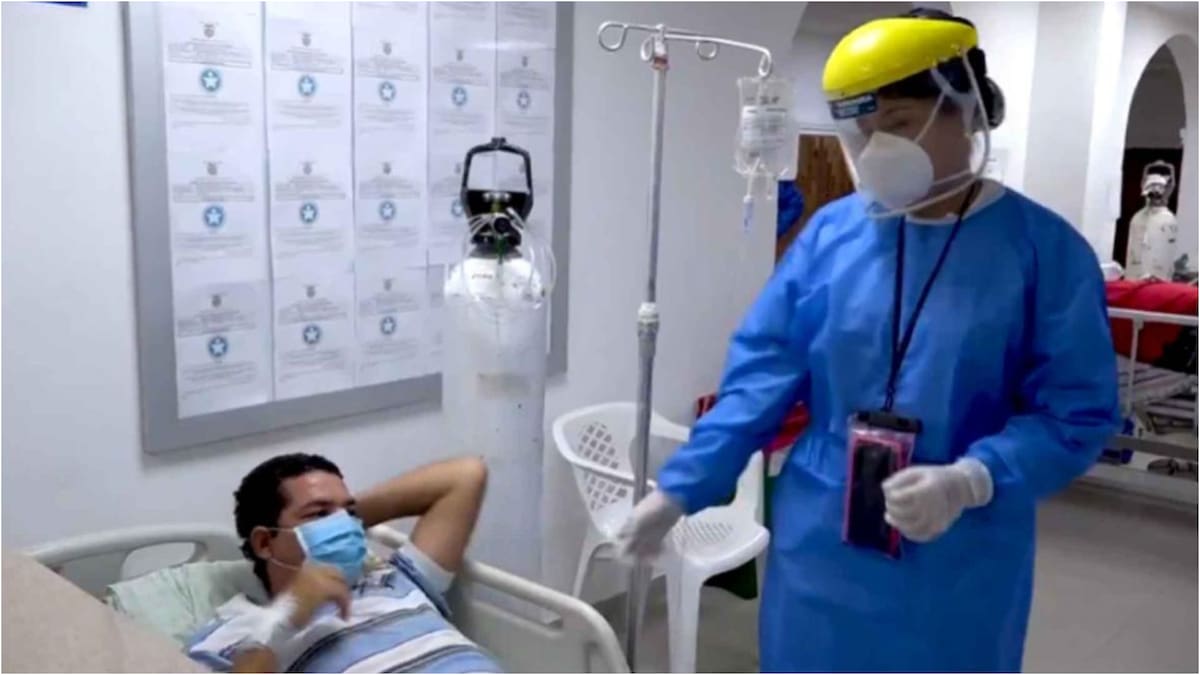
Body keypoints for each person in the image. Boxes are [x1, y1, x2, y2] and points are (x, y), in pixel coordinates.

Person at [617, 9, 1120, 673]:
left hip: (959, 555)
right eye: (863, 130)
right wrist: (679, 489)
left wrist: (972, 479)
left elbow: (1075, 413)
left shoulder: (1042, 253)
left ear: (969, 108)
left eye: (901, 124)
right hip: (822, 543)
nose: (878, 148)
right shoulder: (833, 237)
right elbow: (760, 379)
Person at [186, 453, 500, 673]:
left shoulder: (395, 578)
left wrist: (340, 519)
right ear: (265, 543)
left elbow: (466, 475)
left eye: (349, 513)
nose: (345, 524)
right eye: (319, 514)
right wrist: (286, 616)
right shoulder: (235, 633)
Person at [1127, 164, 1179, 280]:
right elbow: (1143, 183)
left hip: (1158, 271)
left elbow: (1172, 185)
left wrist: (1170, 168)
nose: (1155, 197)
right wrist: (1148, 167)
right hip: (1136, 271)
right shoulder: (1139, 217)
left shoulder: (1167, 218)